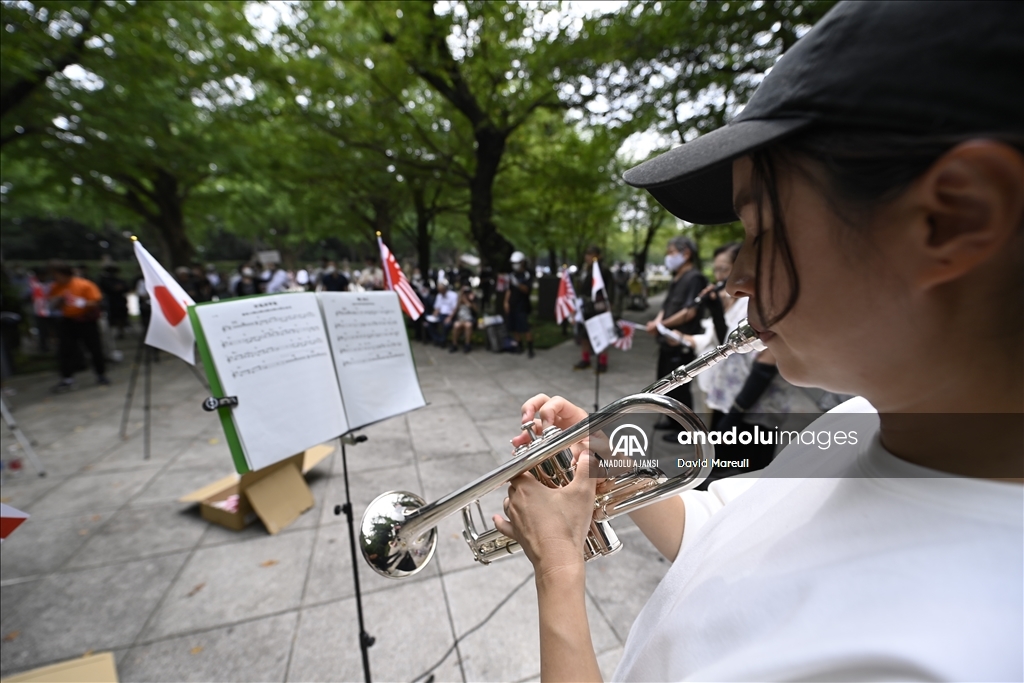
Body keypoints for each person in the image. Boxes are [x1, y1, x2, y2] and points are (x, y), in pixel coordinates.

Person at [494, 3, 1023, 681]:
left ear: (953, 218)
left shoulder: (951, 653)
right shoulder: (871, 419)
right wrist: (613, 454)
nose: (737, 276)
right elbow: (721, 539)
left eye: (762, 231)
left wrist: (559, 571)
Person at [645, 235, 707, 422]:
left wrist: (662, 325)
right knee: (666, 385)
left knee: (681, 387)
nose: (668, 257)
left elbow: (689, 312)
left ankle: (684, 429)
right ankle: (671, 422)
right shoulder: (677, 278)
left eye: (671, 253)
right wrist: (657, 322)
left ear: (686, 253)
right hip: (666, 342)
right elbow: (666, 307)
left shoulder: (694, 278)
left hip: (682, 342)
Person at [48, 260, 109, 391]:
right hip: (67, 320)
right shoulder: (56, 287)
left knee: (94, 348)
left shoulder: (83, 284)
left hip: (85, 320)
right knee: (65, 350)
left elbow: (96, 301)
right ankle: (67, 378)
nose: (54, 277)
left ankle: (101, 374)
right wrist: (59, 301)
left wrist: (80, 303)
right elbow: (53, 304)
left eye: (56, 274)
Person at [574, 245, 614, 372]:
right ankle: (585, 359)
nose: (588, 257)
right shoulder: (585, 269)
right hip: (586, 307)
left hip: (599, 307)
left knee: (601, 334)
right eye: (587, 254)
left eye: (591, 254)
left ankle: (602, 362)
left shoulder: (603, 270)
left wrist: (609, 305)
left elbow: (610, 289)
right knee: (584, 335)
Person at [504, 251, 534, 358]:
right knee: (514, 327)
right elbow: (509, 290)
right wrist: (506, 302)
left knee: (525, 327)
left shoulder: (527, 274)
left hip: (523, 305)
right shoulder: (512, 274)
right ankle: (519, 346)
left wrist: (517, 283)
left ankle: (530, 348)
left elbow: (527, 290)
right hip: (513, 304)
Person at [98, 264, 130, 340]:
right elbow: (108, 288)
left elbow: (126, 287)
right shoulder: (104, 280)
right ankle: (114, 331)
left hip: (120, 301)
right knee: (112, 317)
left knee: (121, 317)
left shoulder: (119, 280)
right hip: (110, 301)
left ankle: (120, 331)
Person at [430, 280, 458, 347]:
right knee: (429, 324)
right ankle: (438, 339)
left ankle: (442, 341)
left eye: (441, 290)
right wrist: (433, 316)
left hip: (450, 315)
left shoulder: (453, 295)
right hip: (441, 315)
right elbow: (437, 308)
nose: (440, 292)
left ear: (445, 289)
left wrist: (450, 318)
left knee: (446, 325)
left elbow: (455, 308)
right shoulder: (439, 295)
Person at [449, 286, 477, 353]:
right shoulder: (459, 299)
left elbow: (476, 310)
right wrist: (460, 298)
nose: (465, 294)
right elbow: (455, 309)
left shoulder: (472, 299)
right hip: (460, 319)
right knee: (456, 325)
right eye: (464, 292)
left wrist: (469, 301)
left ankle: (467, 344)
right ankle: (454, 344)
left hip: (469, 319)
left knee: (468, 326)